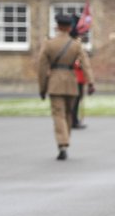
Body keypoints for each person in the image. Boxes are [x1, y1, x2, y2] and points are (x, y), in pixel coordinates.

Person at [37, 13, 94, 160]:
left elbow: (42, 68)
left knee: (58, 114)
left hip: (55, 82)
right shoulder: (76, 44)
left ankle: (62, 143)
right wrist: (91, 83)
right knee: (68, 114)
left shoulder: (49, 44)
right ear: (69, 28)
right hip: (71, 82)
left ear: (57, 26)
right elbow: (85, 64)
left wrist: (42, 88)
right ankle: (65, 140)